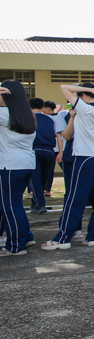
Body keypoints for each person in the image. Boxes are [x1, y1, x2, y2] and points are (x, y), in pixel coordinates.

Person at [42, 84, 94, 249]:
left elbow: (63, 87)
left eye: (80, 96)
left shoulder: (84, 108)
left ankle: (63, 238)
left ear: (85, 97)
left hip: (86, 158)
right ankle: (93, 237)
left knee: (75, 198)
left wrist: (91, 91)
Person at [0, 81, 37, 256]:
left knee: (9, 206)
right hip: (26, 164)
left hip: (10, 166)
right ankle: (26, 237)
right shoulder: (27, 115)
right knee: (16, 205)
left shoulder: (3, 114)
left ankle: (15, 246)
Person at [28, 97, 56, 214]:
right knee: (43, 178)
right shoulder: (50, 119)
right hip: (49, 151)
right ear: (42, 107)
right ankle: (35, 203)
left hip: (35, 149)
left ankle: (40, 204)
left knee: (34, 178)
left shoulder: (29, 118)